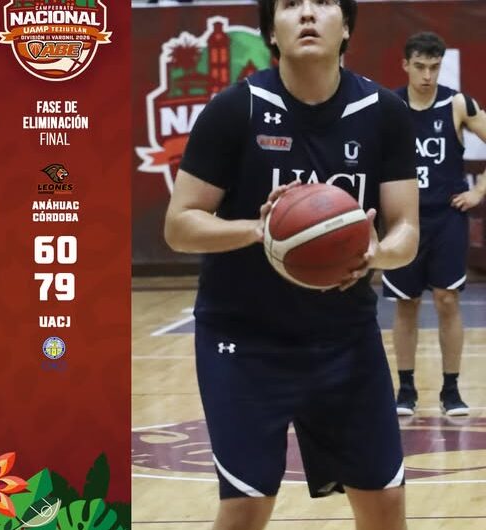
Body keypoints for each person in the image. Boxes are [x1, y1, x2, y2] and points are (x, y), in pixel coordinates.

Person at [164, 1, 419, 529]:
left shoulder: (384, 113)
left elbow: (406, 232)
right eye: (290, 5)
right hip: (244, 341)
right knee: (246, 505)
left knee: (385, 503)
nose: (307, 14)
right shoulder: (236, 109)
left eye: (323, 3)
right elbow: (179, 225)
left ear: (346, 27)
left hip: (345, 339)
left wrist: (378, 253)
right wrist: (260, 231)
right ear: (271, 32)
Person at [382, 32, 486, 417]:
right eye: (420, 66)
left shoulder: (457, 104)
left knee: (447, 300)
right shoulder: (389, 106)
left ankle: (451, 390)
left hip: (446, 217)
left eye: (434, 67)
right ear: (405, 65)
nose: (427, 75)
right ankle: (406, 389)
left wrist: (479, 191)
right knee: (406, 303)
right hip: (404, 218)